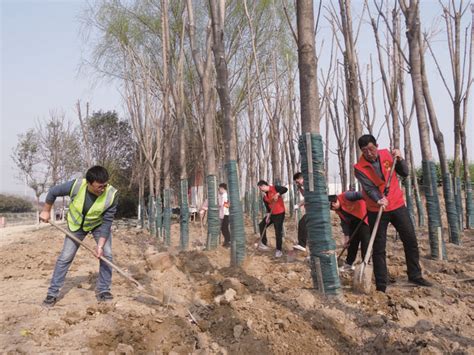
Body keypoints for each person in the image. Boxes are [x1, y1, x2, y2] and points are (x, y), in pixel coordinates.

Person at [354, 134, 432, 292]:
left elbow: (404, 173)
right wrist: (378, 199)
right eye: (364, 150)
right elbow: (369, 188)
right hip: (376, 209)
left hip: (396, 204)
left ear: (376, 145)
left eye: (371, 148)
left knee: (410, 239)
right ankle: (381, 284)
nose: (369, 153)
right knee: (378, 247)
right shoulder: (359, 168)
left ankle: (415, 275)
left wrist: (400, 158)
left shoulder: (387, 154)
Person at [40, 166, 118, 306]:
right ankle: (52, 293)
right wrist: (46, 211)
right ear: (89, 183)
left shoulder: (111, 195)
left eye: (104, 186)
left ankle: (103, 290)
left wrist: (99, 246)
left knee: (107, 254)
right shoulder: (76, 186)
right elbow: (52, 192)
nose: (102, 189)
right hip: (76, 226)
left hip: (98, 225)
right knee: (65, 257)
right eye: (98, 187)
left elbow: (107, 222)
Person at [329, 191, 370, 272]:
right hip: (353, 223)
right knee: (352, 243)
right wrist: (346, 239)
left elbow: (360, 194)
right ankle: (349, 264)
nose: (333, 210)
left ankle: (365, 263)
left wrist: (371, 202)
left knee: (365, 241)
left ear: (334, 203)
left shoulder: (346, 196)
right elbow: (344, 223)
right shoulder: (338, 209)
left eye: (332, 207)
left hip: (364, 219)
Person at [257, 180, 288, 258]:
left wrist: (277, 194)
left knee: (277, 231)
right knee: (262, 225)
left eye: (261, 188)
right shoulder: (265, 197)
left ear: (264, 185)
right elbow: (267, 208)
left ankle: (279, 250)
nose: (261, 190)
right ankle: (264, 244)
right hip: (271, 214)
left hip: (280, 213)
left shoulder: (275, 188)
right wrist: (267, 217)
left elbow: (285, 189)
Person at [292, 172, 307, 252]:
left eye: (297, 182)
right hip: (310, 209)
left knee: (302, 223)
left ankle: (302, 245)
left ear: (301, 178)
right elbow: (305, 196)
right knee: (302, 224)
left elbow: (308, 197)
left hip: (315, 209)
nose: (297, 183)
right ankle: (302, 244)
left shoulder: (308, 185)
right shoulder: (302, 186)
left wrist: (298, 204)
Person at [218, 183, 231, 248]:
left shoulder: (226, 196)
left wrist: (223, 205)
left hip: (226, 214)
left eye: (219, 188)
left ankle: (228, 241)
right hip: (223, 214)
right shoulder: (221, 195)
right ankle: (226, 241)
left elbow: (227, 205)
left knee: (225, 228)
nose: (219, 190)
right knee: (223, 228)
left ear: (222, 188)